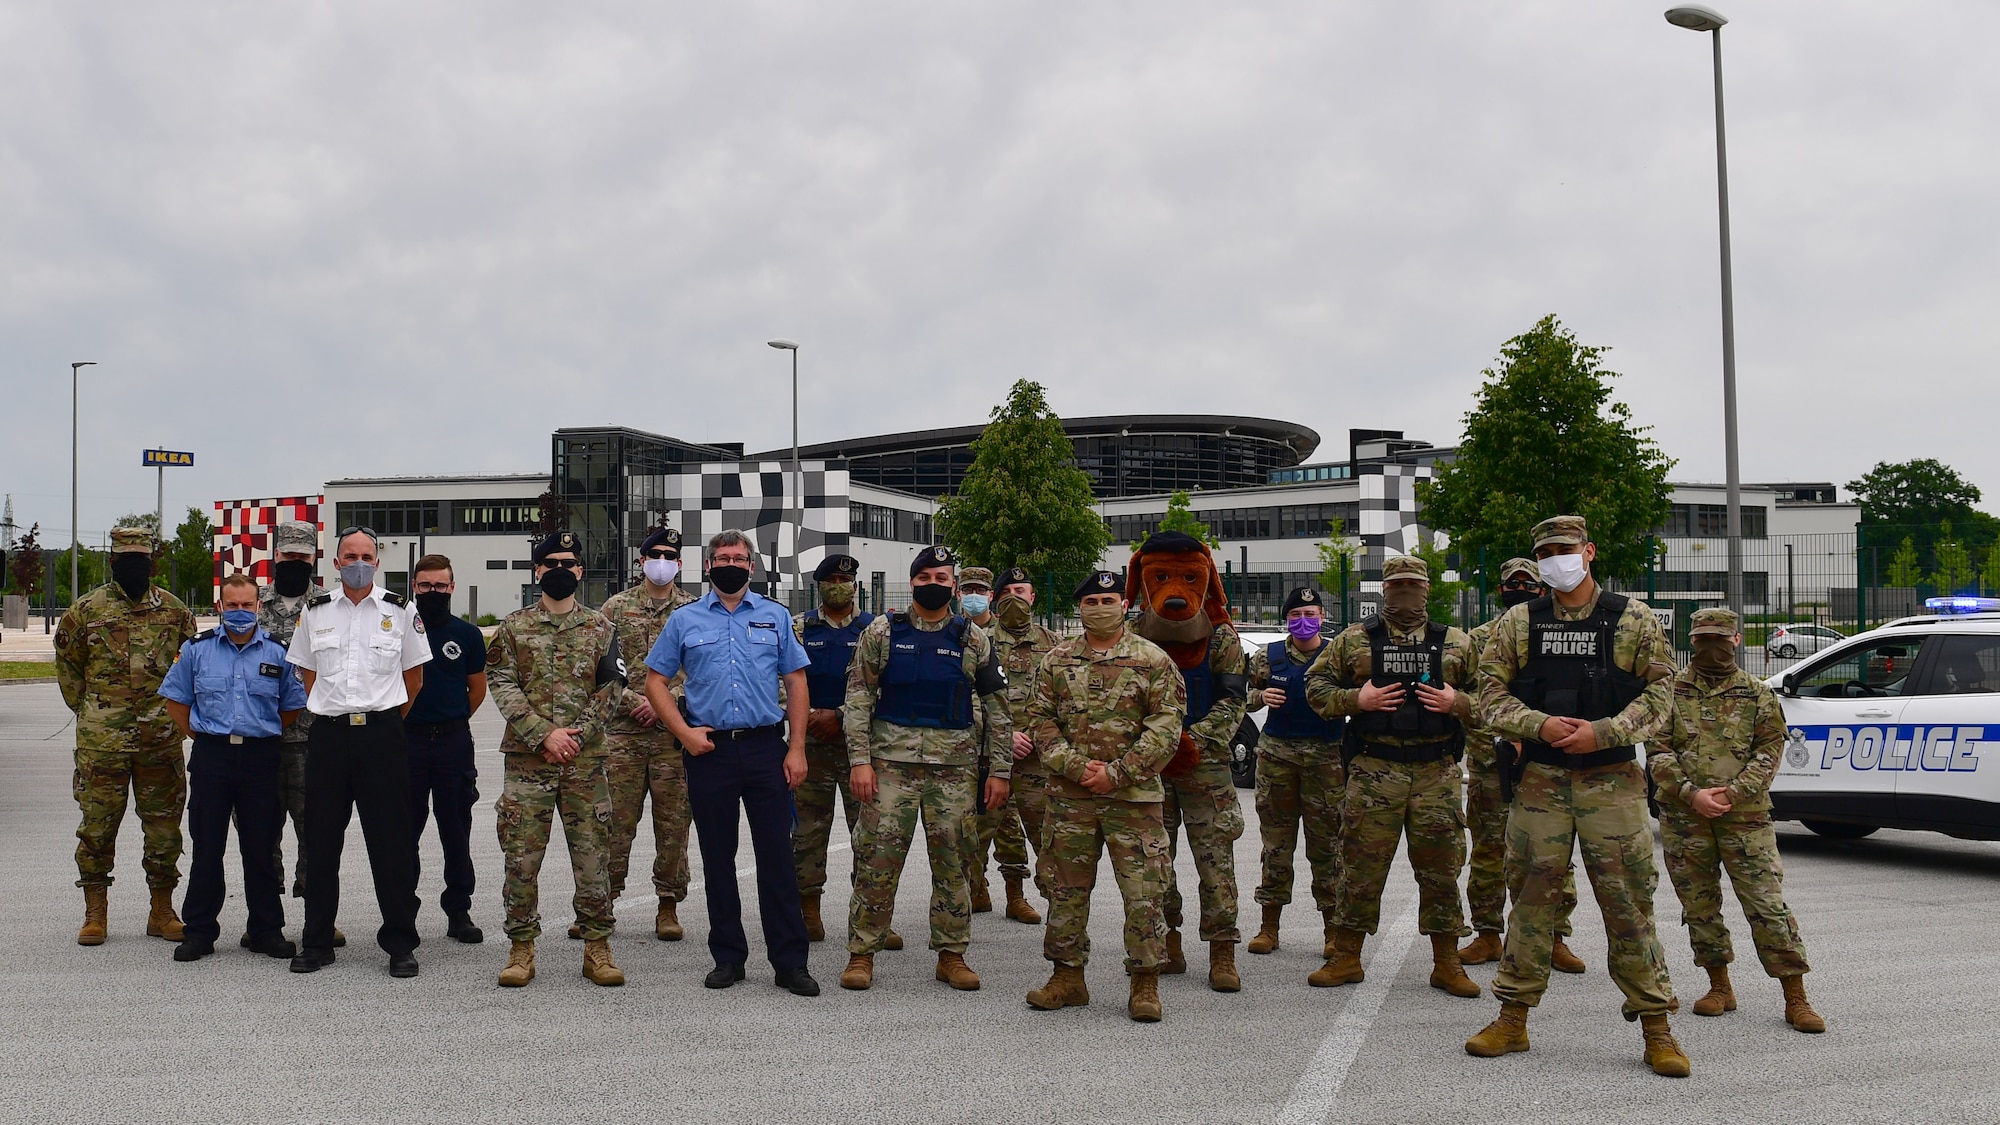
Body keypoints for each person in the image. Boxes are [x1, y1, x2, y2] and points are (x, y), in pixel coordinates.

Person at [1464, 515, 1688, 1077]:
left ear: (1588, 551)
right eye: (1544, 552)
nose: (1554, 560)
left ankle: (1657, 1028)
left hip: (1610, 781)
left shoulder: (1632, 618)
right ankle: (1512, 1019)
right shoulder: (1519, 622)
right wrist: (1536, 723)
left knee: (1628, 904)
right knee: (1532, 902)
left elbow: (1663, 694)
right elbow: (1487, 695)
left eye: (1564, 549)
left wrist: (1605, 731)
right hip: (1541, 780)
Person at [645, 530, 819, 997]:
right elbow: (655, 681)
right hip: (710, 752)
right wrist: (683, 734)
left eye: (739, 558)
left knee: (777, 859)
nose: (731, 564)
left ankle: (790, 963)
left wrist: (796, 747)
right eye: (722, 558)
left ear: (751, 566)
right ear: (707, 567)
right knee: (717, 859)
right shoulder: (684, 620)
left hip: (766, 750)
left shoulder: (775, 616)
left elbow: (797, 682)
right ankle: (728, 957)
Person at [1304, 555, 1480, 999]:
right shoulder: (1354, 640)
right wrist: (1355, 700)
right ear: (1384, 589)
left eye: (1413, 585)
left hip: (1436, 769)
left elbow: (1494, 702)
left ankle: (1447, 961)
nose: (1405, 593)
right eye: (1397, 584)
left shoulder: (1455, 643)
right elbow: (1315, 688)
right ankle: (1346, 955)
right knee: (1360, 867)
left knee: (1441, 868)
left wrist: (1457, 703)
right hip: (1374, 768)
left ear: (1426, 589)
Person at [836, 545, 1011, 993]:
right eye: (925, 577)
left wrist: (1000, 771)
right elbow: (857, 698)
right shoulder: (883, 631)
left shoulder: (971, 637)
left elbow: (999, 708)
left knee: (955, 861)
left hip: (954, 770)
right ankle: (862, 952)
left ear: (953, 585)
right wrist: (860, 761)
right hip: (890, 766)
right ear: (912, 582)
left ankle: (951, 955)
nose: (934, 585)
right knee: (876, 859)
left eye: (942, 578)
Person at [1651, 608, 1824, 1033]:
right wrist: (1692, 795)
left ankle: (1795, 996)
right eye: (1703, 639)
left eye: (1720, 638)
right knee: (1700, 907)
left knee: (1767, 905)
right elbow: (1656, 751)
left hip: (1744, 819)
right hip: (1685, 818)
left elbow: (1769, 753)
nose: (1712, 646)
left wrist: (1731, 794)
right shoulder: (1669, 691)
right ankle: (1719, 986)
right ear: (1691, 642)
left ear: (1737, 640)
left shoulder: (1757, 693)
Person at [1023, 570, 1184, 1022]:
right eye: (1090, 601)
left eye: (1107, 599)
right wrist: (1076, 767)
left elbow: (1167, 726)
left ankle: (1145, 983)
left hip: (1133, 799)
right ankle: (1067, 976)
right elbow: (1039, 720)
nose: (1099, 608)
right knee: (1065, 890)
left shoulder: (1153, 660)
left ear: (1125, 605)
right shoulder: (1056, 660)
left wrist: (1117, 773)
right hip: (1071, 797)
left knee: (1144, 892)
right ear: (1080, 608)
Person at [283, 526, 430, 978]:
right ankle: (318, 941)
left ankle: (400, 943)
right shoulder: (315, 611)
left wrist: (377, 721)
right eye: (350, 555)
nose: (358, 562)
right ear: (336, 562)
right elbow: (308, 676)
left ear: (378, 562)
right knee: (322, 841)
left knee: (391, 844)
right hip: (328, 736)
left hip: (382, 737)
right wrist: (338, 713)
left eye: (366, 554)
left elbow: (413, 680)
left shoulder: (401, 610)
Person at [485, 532, 626, 988]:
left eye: (569, 562)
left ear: (580, 571)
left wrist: (575, 736)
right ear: (538, 571)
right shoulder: (512, 627)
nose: (560, 569)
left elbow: (611, 689)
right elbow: (501, 683)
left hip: (585, 765)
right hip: (528, 764)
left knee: (593, 862)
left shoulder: (603, 629)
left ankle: (597, 947)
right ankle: (521, 947)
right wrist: (543, 734)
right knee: (521, 860)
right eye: (551, 563)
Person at [54, 526, 197, 946]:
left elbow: (194, 664)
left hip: (160, 739)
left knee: (165, 829)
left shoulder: (174, 611)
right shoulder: (85, 611)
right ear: (113, 562)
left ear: (152, 563)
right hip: (103, 744)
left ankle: (162, 910)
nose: (135, 567)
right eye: (126, 560)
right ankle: (95, 912)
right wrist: (93, 711)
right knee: (97, 828)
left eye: (142, 559)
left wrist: (178, 716)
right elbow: (68, 667)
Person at [156, 572, 306, 962]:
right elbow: (176, 700)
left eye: (247, 605)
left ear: (259, 606)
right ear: (220, 606)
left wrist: (257, 733)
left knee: (260, 848)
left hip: (260, 757)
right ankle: (200, 932)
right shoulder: (196, 650)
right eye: (232, 605)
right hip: (213, 757)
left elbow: (291, 706)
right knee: (207, 847)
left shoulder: (278, 652)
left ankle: (266, 931)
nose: (240, 612)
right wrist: (204, 736)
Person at [1127, 530, 1249, 992]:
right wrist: (1157, 747)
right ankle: (1167, 943)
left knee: (1215, 861)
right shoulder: (1133, 632)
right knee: (1155, 862)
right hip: (1149, 768)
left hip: (1206, 767)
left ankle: (1222, 950)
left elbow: (1233, 701)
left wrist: (1193, 741)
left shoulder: (1222, 637)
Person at [1459, 558, 1583, 974]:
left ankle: (1555, 937)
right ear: (1500, 591)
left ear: (1542, 589)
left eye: (1528, 584)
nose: (1519, 590)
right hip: (1489, 761)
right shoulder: (1475, 641)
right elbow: (1463, 699)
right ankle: (1488, 935)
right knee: (1489, 851)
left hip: (1547, 761)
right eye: (1512, 584)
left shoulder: (1558, 634)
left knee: (1554, 855)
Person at [791, 553, 902, 951]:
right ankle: (809, 911)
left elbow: (890, 685)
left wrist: (839, 715)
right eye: (831, 579)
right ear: (818, 586)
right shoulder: (800, 627)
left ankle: (872, 915)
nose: (838, 584)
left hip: (863, 751)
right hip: (812, 747)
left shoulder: (877, 629)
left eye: (844, 578)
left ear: (855, 584)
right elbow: (783, 681)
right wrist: (808, 719)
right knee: (806, 833)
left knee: (871, 834)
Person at [596, 527, 697, 943]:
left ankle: (668, 906)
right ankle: (602, 904)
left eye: (670, 554)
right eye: (654, 553)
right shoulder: (615, 608)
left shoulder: (694, 609)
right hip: (622, 734)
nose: (662, 560)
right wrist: (633, 699)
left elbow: (703, 671)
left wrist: (664, 700)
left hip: (673, 734)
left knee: (673, 825)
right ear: (641, 561)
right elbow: (599, 670)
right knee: (614, 823)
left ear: (679, 562)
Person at [1242, 587, 1344, 958]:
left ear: (1322, 615)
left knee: (1327, 847)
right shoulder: (1266, 658)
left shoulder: (1336, 654)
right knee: (1276, 846)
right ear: (1286, 620)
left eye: (1311, 614)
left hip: (1325, 759)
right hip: (1278, 757)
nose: (1304, 622)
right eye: (1296, 615)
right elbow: (1242, 695)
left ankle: (1333, 931)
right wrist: (1261, 697)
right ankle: (1269, 927)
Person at [965, 565, 1062, 924]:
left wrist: (1036, 734)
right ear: (996, 598)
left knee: (1046, 834)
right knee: (979, 832)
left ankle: (1044, 906)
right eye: (1008, 593)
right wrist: (1002, 736)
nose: (1015, 599)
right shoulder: (978, 640)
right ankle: (973, 892)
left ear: (1033, 597)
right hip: (990, 755)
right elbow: (968, 695)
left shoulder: (1053, 644)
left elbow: (1064, 699)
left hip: (1038, 759)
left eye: (1022, 592)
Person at [404, 553, 487, 945]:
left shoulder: (467, 635)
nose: (433, 592)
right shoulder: (398, 629)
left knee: (456, 829)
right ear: (414, 587)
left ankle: (459, 910)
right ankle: (403, 909)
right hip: (408, 743)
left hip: (453, 743)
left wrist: (451, 719)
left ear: (452, 587)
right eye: (425, 586)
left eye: (440, 586)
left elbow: (477, 690)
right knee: (404, 832)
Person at [258, 519, 320, 905]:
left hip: (313, 740)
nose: (294, 562)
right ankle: (265, 915)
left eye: (302, 556)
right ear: (275, 556)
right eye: (288, 555)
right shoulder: (253, 602)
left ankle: (318, 917)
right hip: (261, 738)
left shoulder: (329, 605)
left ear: (313, 559)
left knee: (316, 830)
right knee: (261, 830)